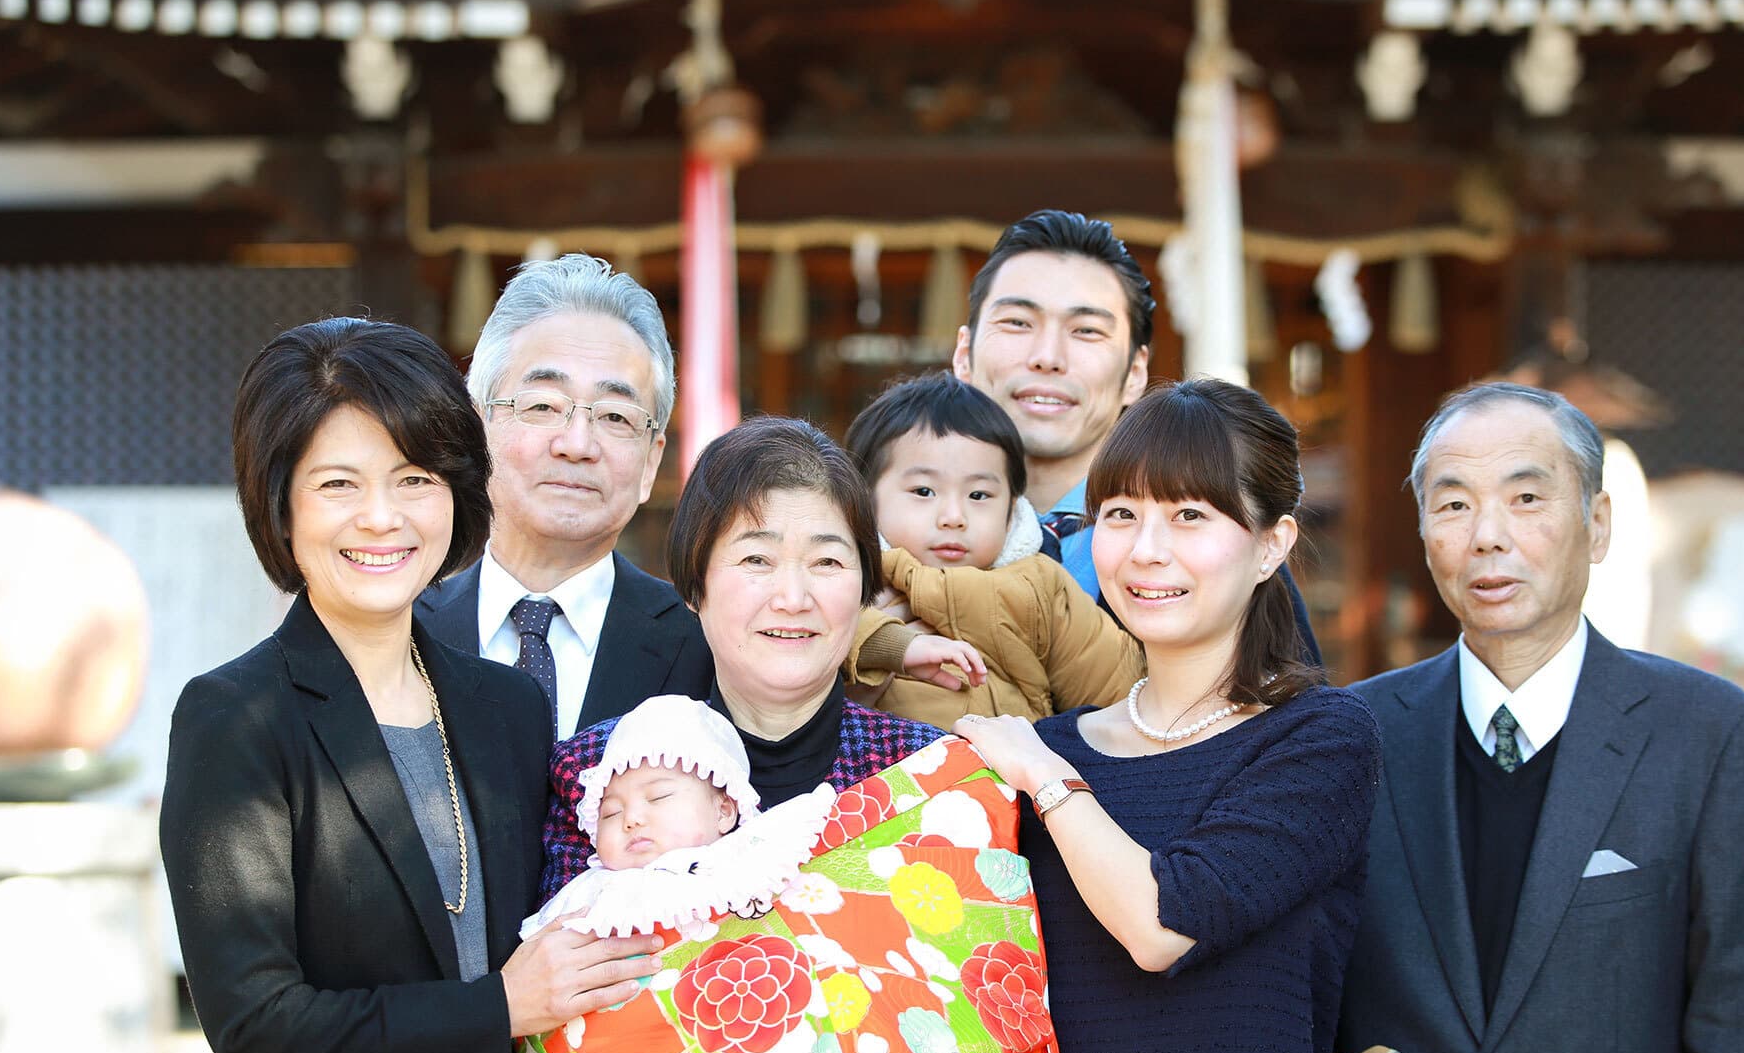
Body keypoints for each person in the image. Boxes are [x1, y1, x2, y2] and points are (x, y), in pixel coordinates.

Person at [160, 317, 661, 1053]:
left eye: (414, 479)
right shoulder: (235, 715)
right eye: (338, 484)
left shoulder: (505, 708)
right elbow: (257, 1021)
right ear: (282, 503)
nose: (380, 518)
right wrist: (500, 1006)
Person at [1336, 381, 1744, 1053]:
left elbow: (1740, 1047)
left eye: (1525, 496)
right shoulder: (1352, 736)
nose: (1488, 536)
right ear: (1423, 531)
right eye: (1453, 504)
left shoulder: (1710, 738)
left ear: (1597, 523)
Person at [958, 378, 1382, 1053]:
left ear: (1274, 541)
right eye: (1120, 513)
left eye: (1190, 514)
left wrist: (1045, 781)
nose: (1146, 550)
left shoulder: (1318, 738)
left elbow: (1163, 922)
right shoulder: (1052, 747)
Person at [539, 416, 946, 897]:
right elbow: (573, 957)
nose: (793, 598)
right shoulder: (597, 772)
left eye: (827, 562)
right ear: (695, 586)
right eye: (757, 560)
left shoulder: (930, 771)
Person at [952, 208, 1320, 666]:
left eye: (1086, 331)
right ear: (964, 354)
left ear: (1136, 371)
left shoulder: (1225, 552)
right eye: (1017, 323)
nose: (1047, 357)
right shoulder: (891, 522)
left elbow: (1292, 713)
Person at [415, 254, 711, 740]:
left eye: (616, 417)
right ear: (475, 426)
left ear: (651, 462)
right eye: (543, 406)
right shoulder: (401, 633)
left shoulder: (704, 647)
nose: (576, 444)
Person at [842, 369, 1143, 728]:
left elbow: (1118, 688)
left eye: (979, 495)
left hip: (1022, 774)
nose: (953, 517)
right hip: (885, 779)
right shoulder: (848, 578)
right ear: (864, 498)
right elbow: (812, 637)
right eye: (924, 492)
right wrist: (891, 645)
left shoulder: (1038, 586)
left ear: (1012, 508)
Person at [518, 694, 835, 938]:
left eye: (658, 797)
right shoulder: (595, 891)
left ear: (724, 810)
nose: (632, 819)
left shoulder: (748, 860)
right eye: (611, 813)